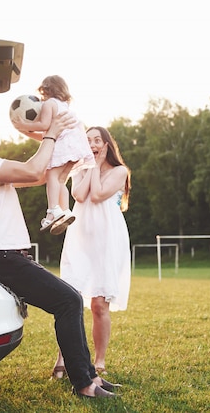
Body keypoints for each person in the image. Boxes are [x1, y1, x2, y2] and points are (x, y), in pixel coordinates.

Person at [0, 109, 119, 398]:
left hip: (12, 256)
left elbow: (39, 176)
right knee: (69, 300)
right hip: (5, 257)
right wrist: (51, 132)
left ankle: (91, 377)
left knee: (69, 300)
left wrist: (66, 148)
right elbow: (34, 171)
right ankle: (84, 384)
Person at [51, 126, 131, 379]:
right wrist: (88, 167)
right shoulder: (81, 169)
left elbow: (97, 195)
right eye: (88, 140)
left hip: (107, 239)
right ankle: (63, 358)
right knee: (69, 299)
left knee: (99, 304)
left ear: (107, 144)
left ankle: (99, 360)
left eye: (97, 140)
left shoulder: (119, 171)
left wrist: (95, 167)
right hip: (81, 238)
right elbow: (79, 195)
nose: (93, 144)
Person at [12, 75, 94, 235]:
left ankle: (52, 211)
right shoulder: (64, 106)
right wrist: (28, 133)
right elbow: (48, 135)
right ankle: (65, 210)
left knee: (51, 177)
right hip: (76, 147)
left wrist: (25, 125)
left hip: (64, 146)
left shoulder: (50, 103)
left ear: (47, 90)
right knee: (61, 180)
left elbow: (44, 125)